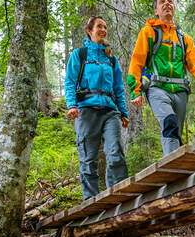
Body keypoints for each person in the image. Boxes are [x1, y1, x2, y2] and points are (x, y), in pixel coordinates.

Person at [127, 0, 195, 156]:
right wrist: (135, 90)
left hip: (180, 91)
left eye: (170, 1)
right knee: (169, 123)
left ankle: (177, 170)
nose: (167, 4)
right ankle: (172, 173)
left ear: (174, 8)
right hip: (157, 88)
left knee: (175, 133)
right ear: (156, 10)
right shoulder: (148, 32)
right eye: (162, 2)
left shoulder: (184, 38)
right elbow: (137, 61)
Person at [64, 16, 129, 200]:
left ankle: (119, 198)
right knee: (88, 159)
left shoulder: (111, 59)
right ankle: (90, 203)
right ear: (89, 30)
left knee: (115, 152)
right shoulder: (80, 55)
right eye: (99, 26)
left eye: (105, 27)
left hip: (110, 111)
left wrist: (123, 112)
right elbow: (69, 82)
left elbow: (118, 88)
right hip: (86, 110)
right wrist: (71, 105)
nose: (103, 30)